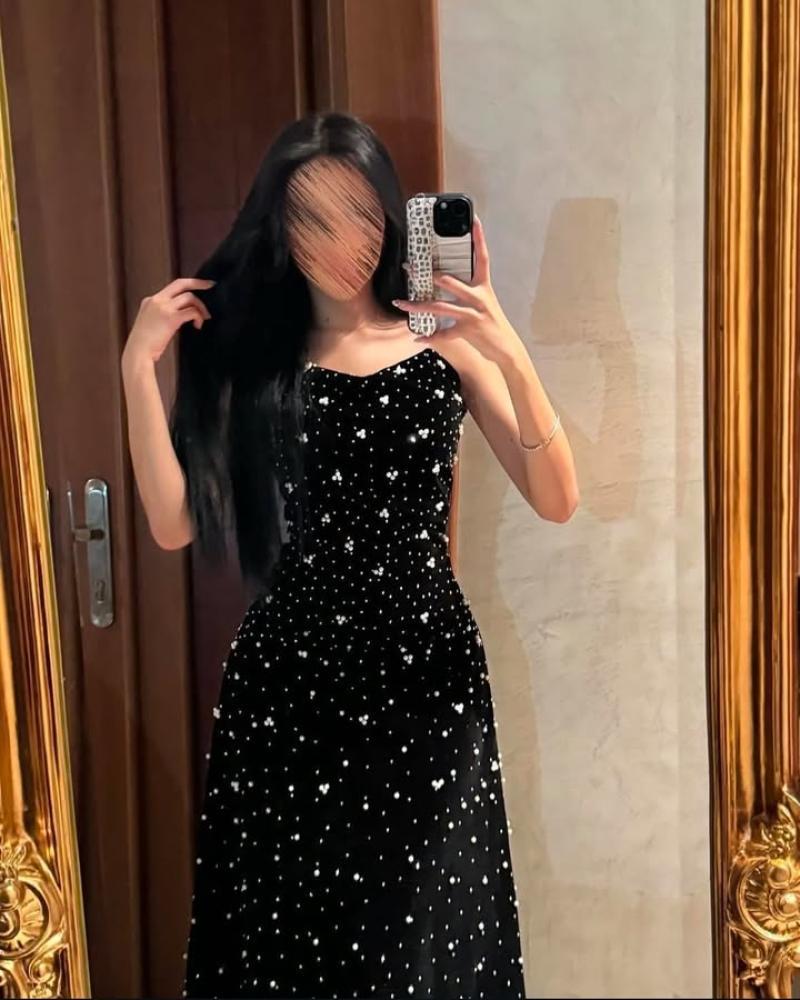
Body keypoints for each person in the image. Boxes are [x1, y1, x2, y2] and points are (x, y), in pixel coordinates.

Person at [120, 111, 577, 999]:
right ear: (279, 231)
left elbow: (558, 499)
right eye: (313, 220)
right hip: (288, 691)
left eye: (362, 215)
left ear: (391, 216)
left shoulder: (442, 341)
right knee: (300, 951)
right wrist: (139, 367)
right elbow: (173, 525)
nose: (344, 244)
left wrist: (506, 348)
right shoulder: (253, 363)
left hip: (428, 686)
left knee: (413, 948)